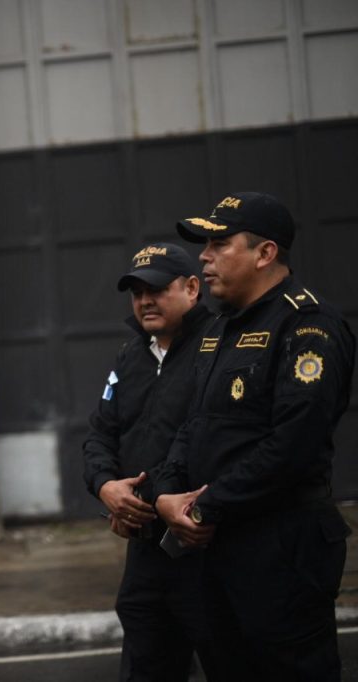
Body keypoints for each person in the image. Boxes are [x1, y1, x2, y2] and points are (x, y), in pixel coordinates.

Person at [153, 192, 356, 681]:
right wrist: (166, 494)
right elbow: (193, 425)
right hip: (216, 550)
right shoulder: (217, 332)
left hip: (282, 547)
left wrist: (206, 506)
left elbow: (294, 444)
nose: (203, 257)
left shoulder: (307, 324)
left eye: (219, 244)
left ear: (265, 253)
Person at [82, 242, 216, 681]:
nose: (145, 301)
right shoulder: (131, 355)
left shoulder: (218, 347)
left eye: (156, 289)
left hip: (205, 544)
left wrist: (147, 494)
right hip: (145, 547)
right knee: (145, 664)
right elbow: (101, 433)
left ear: (192, 288)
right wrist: (106, 487)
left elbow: (202, 437)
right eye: (136, 291)